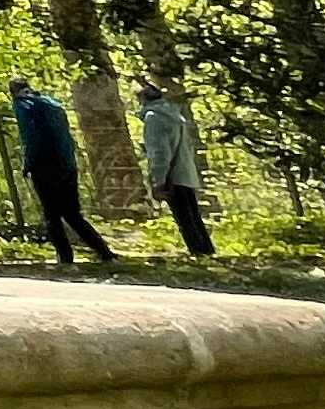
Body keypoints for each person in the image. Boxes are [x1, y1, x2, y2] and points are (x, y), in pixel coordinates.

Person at [11, 78, 118, 267]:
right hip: (66, 162)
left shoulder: (22, 105)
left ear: (12, 91)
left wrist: (28, 163)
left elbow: (31, 136)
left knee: (51, 213)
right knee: (72, 214)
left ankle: (65, 258)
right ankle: (104, 252)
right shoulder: (50, 103)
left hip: (44, 164)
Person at [138, 83, 215, 256]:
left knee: (185, 221)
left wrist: (158, 181)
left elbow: (159, 152)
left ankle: (200, 254)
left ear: (142, 99)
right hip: (186, 172)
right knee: (193, 218)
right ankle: (207, 253)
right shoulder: (174, 114)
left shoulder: (153, 118)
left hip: (172, 176)